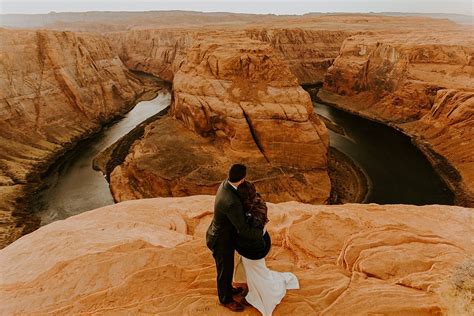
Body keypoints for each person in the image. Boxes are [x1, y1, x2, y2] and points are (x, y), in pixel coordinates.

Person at [234, 179, 300, 316]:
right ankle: (251, 290)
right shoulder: (259, 202)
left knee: (255, 272)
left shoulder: (249, 213)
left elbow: (250, 234)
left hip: (253, 248)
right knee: (257, 270)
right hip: (263, 242)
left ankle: (259, 296)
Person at [206, 164, 263, 312]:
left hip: (222, 234)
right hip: (220, 239)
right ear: (242, 178)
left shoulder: (226, 184)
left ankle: (228, 289)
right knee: (224, 269)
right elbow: (243, 228)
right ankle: (225, 299)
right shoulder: (230, 202)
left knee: (228, 266)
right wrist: (260, 233)